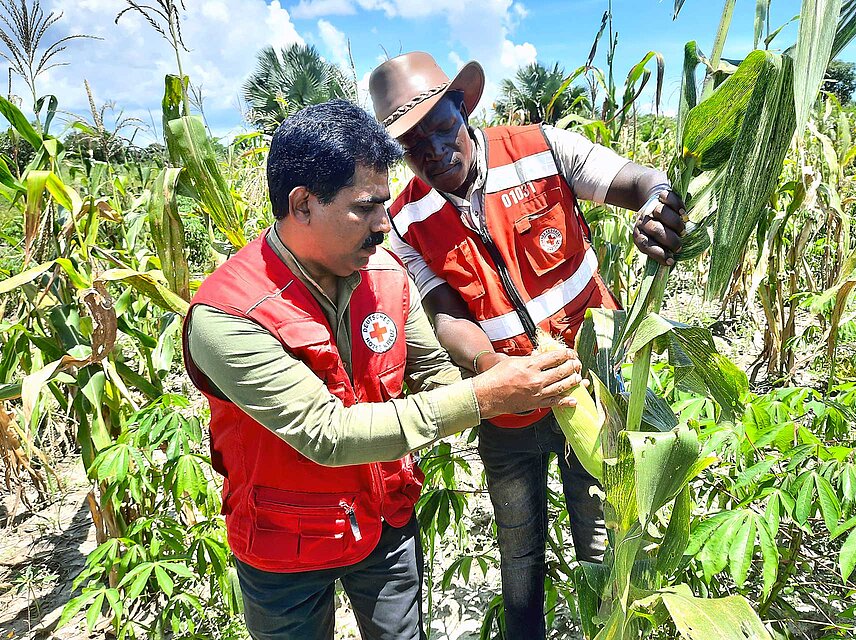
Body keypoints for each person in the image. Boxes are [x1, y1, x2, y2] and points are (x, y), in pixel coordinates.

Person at [181, 99, 586, 640]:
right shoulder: (227, 315)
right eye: (367, 208)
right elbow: (327, 433)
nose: (385, 223)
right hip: (285, 543)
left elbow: (437, 373)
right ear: (302, 205)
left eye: (385, 204)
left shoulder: (388, 276)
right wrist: (488, 396)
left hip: (384, 520)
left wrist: (512, 376)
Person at [368, 52, 687, 639]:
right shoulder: (405, 216)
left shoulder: (541, 149)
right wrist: (493, 370)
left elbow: (636, 180)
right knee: (520, 559)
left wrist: (655, 204)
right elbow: (445, 314)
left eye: (441, 129)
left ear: (463, 107)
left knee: (603, 540)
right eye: (415, 146)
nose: (435, 152)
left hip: (594, 385)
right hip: (508, 406)